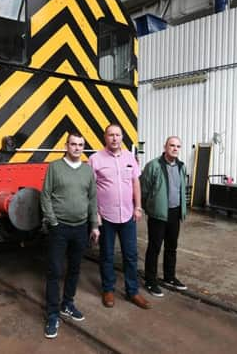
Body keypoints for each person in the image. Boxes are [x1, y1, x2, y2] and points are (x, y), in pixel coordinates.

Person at [41, 133, 100, 339]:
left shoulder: (87, 170)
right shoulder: (55, 167)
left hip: (81, 228)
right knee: (55, 271)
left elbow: (92, 199)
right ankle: (52, 314)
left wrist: (94, 225)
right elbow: (45, 195)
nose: (76, 148)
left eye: (80, 145)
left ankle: (68, 303)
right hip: (60, 228)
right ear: (66, 146)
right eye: (73, 144)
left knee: (75, 269)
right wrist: (53, 221)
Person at [88, 124, 150, 309]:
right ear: (105, 137)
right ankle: (108, 290)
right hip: (106, 216)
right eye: (111, 135)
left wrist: (138, 207)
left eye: (118, 135)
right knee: (106, 255)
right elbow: (90, 189)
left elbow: (135, 183)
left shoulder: (130, 157)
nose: (114, 138)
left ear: (122, 137)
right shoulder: (95, 159)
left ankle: (133, 291)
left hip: (128, 215)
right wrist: (95, 213)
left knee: (130, 255)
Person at [141, 136, 188, 297]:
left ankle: (169, 277)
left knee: (171, 247)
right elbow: (144, 190)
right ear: (165, 146)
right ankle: (150, 281)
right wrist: (149, 208)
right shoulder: (153, 166)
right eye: (172, 145)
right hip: (158, 214)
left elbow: (182, 189)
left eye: (178, 146)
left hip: (175, 213)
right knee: (154, 248)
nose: (175, 148)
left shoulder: (181, 167)